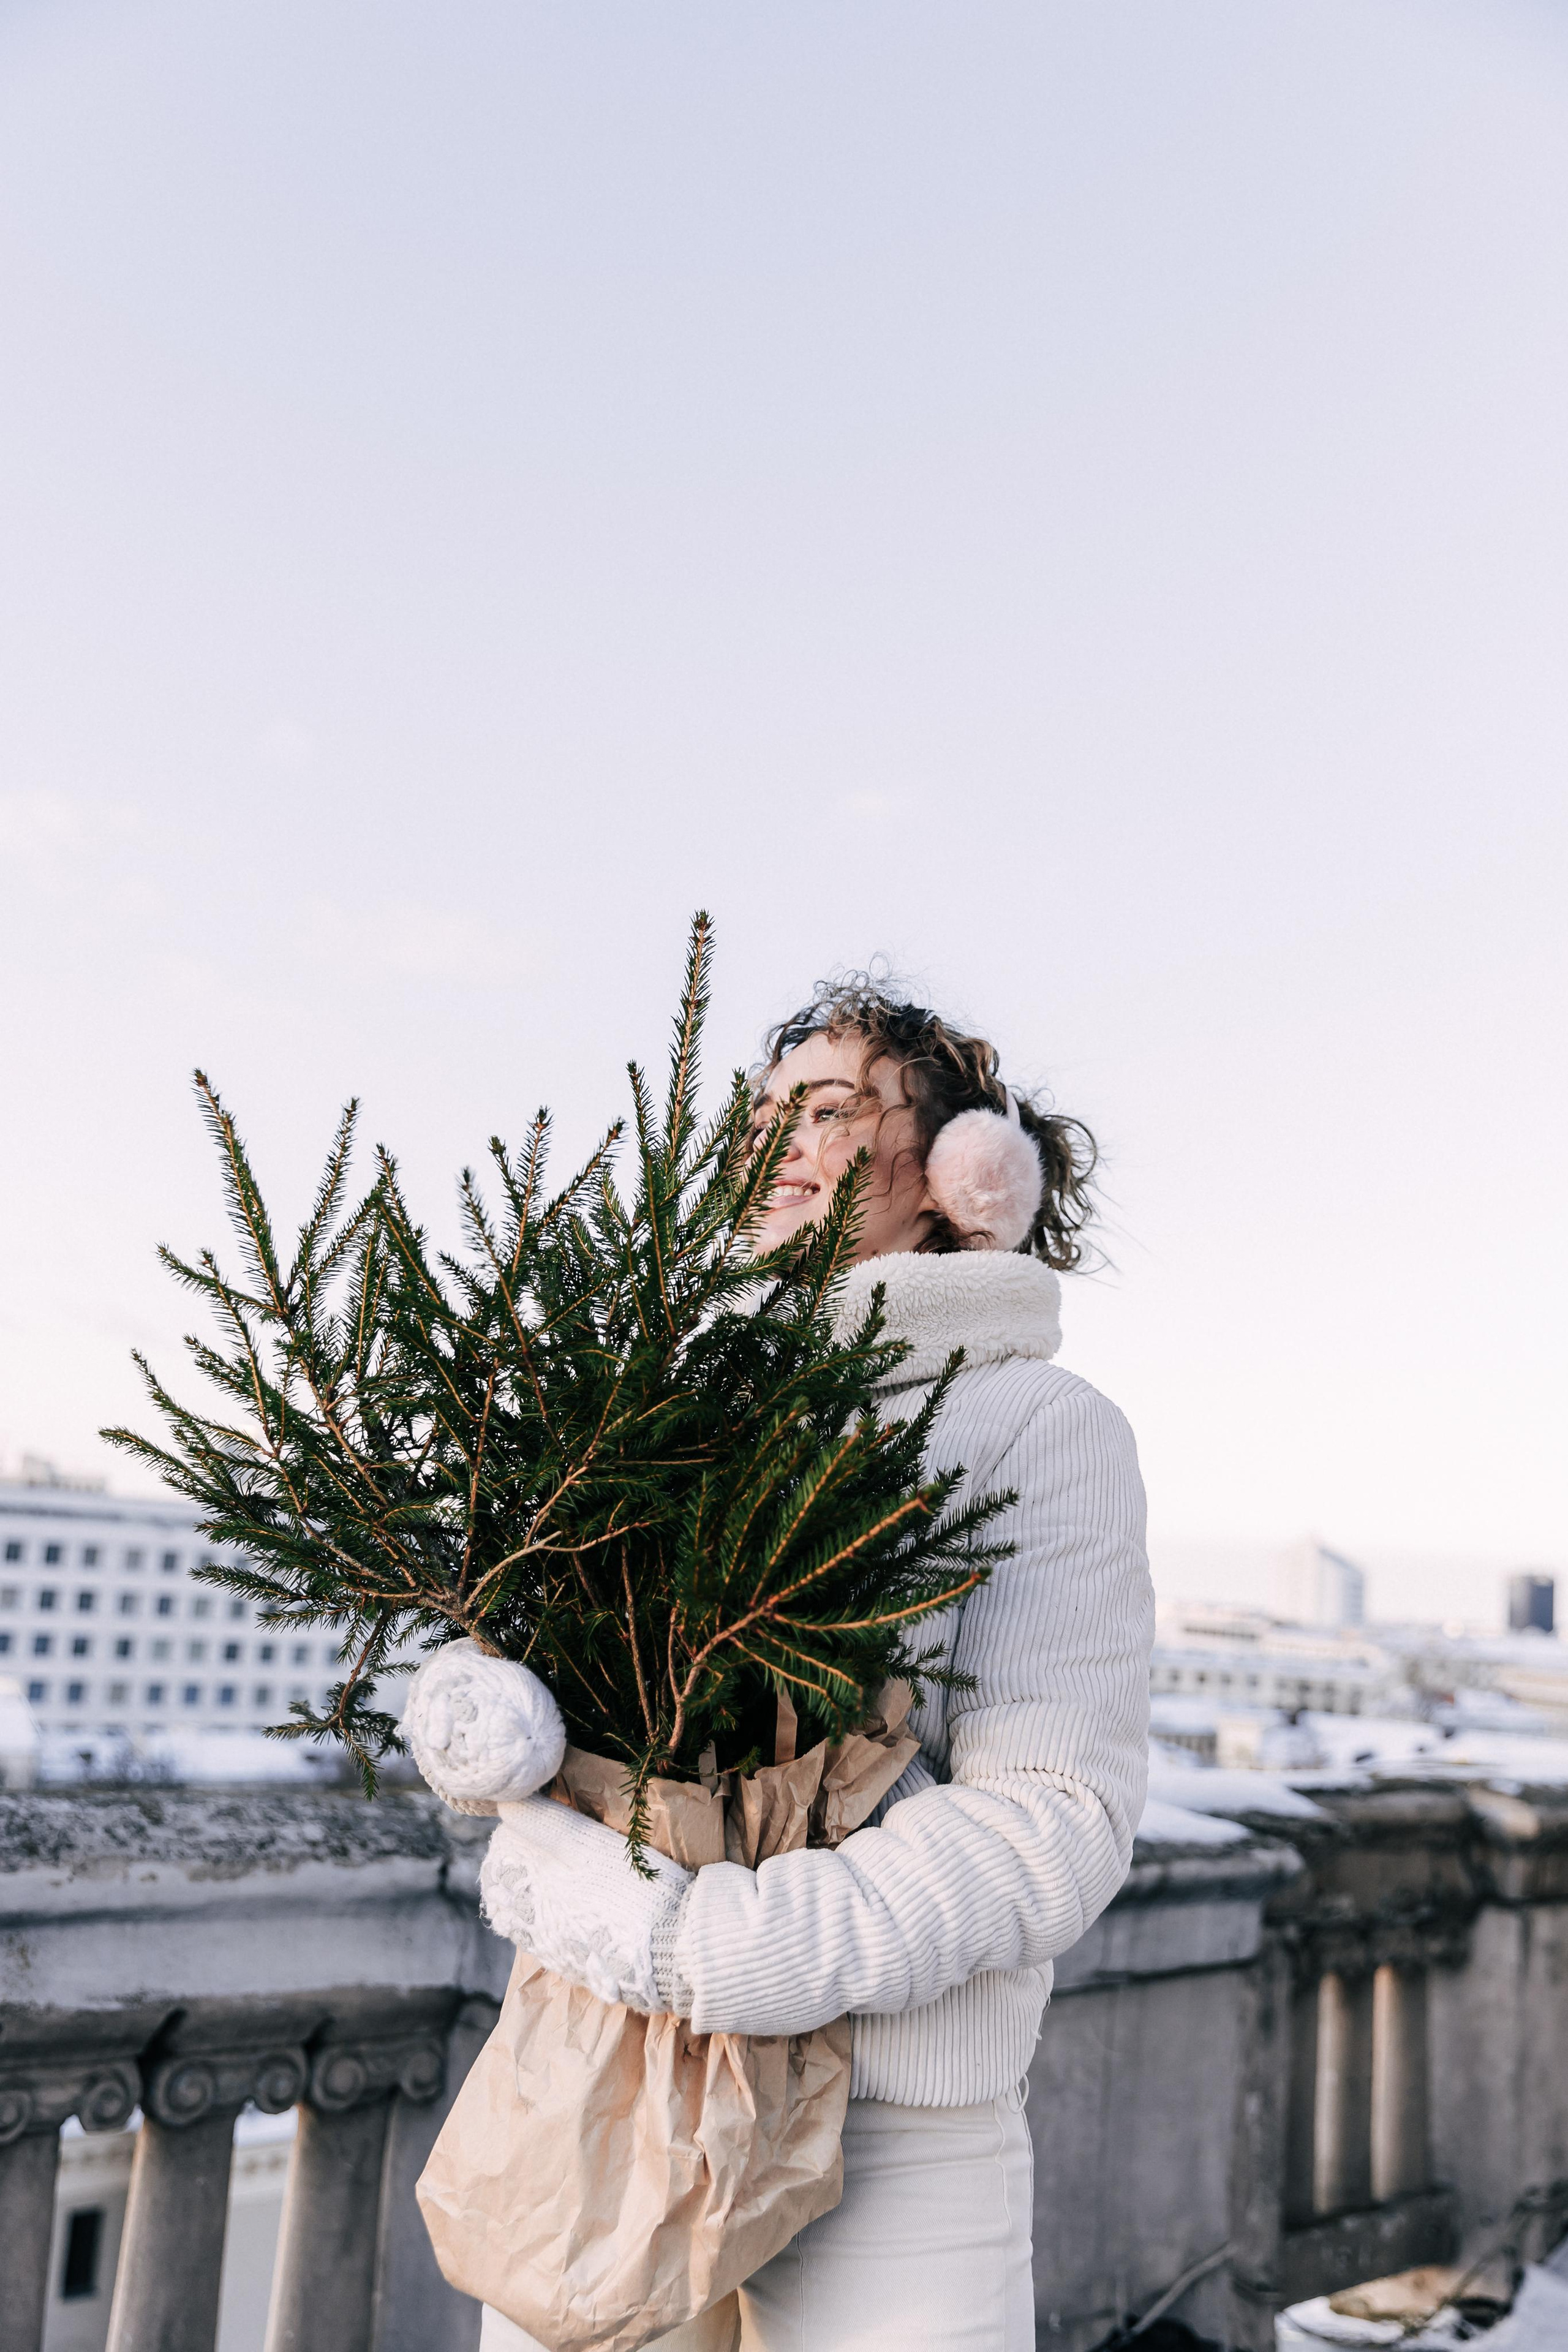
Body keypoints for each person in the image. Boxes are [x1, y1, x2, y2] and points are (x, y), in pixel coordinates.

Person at [471, 978, 1154, 2352]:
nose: (776, 1139)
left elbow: (1050, 1826)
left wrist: (695, 1947)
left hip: (890, 2139)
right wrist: (483, 1721)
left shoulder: (1038, 1426)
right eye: (761, 1112)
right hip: (608, 2086)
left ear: (964, 1178)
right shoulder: (654, 1413)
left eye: (832, 1108)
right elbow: (602, 1738)